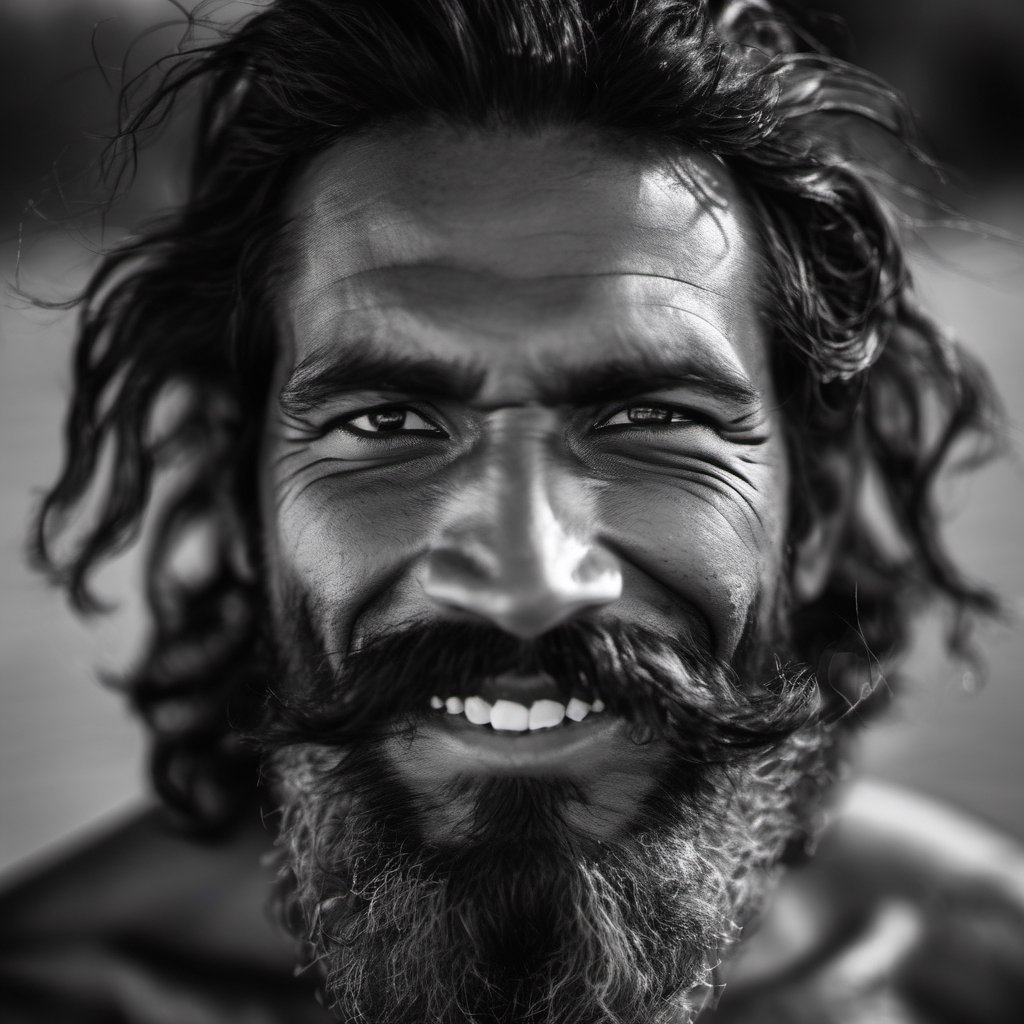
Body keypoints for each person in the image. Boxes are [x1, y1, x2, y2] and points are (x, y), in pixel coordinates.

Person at [2, 1, 1023, 1021]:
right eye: (389, 418)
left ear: (817, 504)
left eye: (651, 416)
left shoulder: (976, 973)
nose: (528, 580)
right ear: (241, 498)